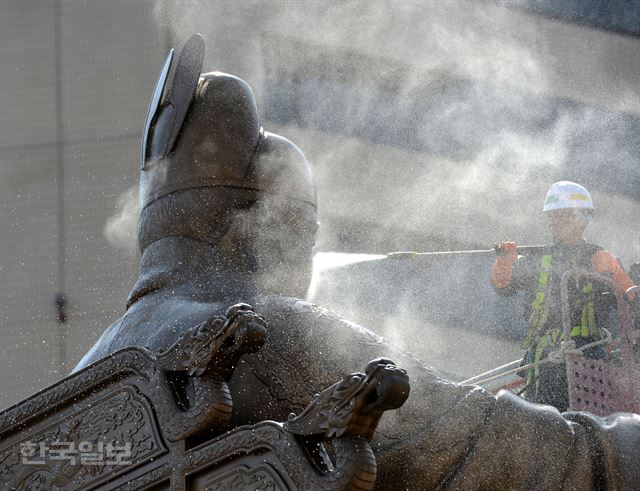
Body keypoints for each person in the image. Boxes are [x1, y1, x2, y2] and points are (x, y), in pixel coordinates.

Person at [77, 36, 640, 489]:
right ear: (256, 231)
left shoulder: (87, 379)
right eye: (304, 236)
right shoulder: (270, 334)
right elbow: (543, 459)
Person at [492, 181, 637, 411]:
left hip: (587, 357)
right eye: (551, 216)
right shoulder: (536, 259)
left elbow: (631, 298)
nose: (554, 222)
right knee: (539, 421)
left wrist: (618, 275)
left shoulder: (599, 257)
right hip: (543, 358)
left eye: (562, 215)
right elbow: (503, 287)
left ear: (581, 219)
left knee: (579, 422)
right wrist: (504, 261)